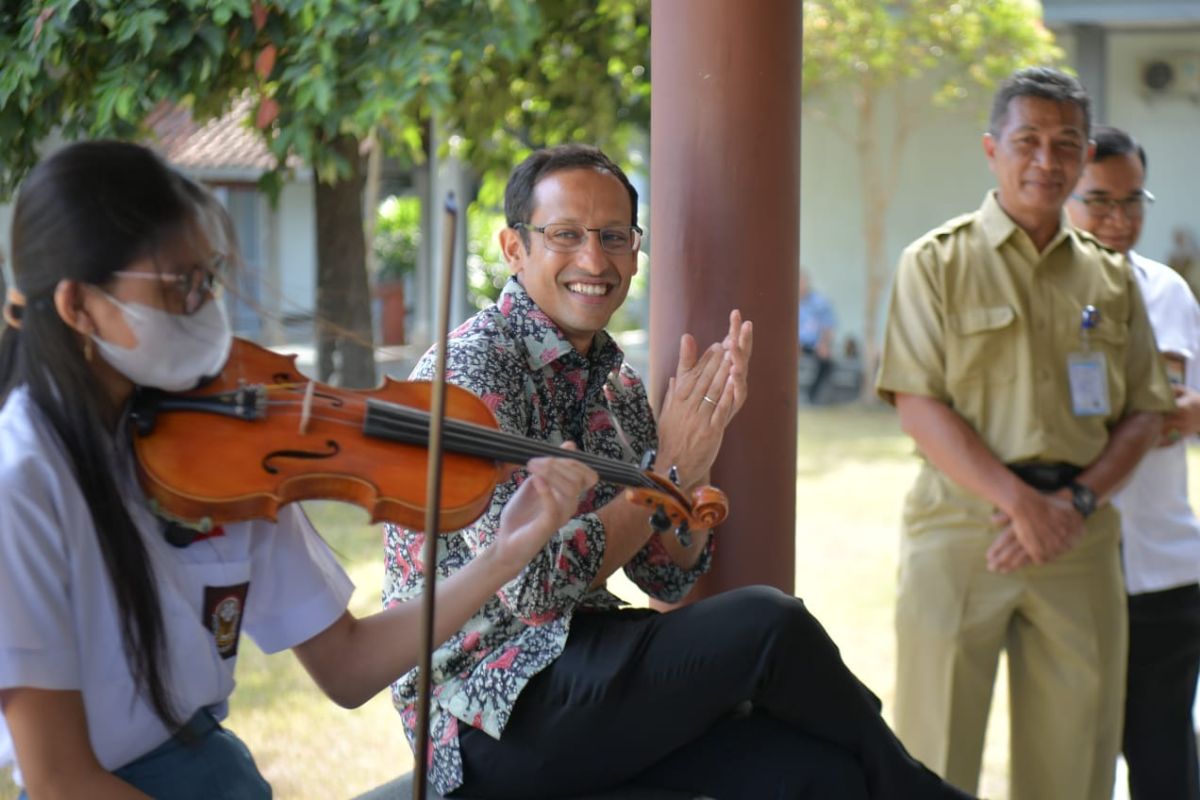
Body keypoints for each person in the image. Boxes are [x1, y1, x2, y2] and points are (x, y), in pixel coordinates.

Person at [0, 140, 597, 799]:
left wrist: (503, 557)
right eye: (181, 287)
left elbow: (347, 665)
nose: (207, 310)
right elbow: (60, 781)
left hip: (220, 770)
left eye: (210, 279)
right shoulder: (21, 481)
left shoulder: (226, 439)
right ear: (78, 307)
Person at [383, 143, 977, 800]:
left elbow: (665, 571)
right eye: (566, 236)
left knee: (815, 774)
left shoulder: (615, 383)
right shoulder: (473, 369)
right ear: (514, 247)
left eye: (614, 237)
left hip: (584, 674)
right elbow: (533, 591)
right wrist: (659, 471)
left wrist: (688, 472)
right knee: (769, 624)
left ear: (636, 252)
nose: (593, 259)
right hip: (486, 715)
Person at [875, 68, 1175, 800]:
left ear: (1081, 158)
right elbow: (918, 402)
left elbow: (1144, 413)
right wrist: (1021, 504)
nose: (1047, 159)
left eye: (1065, 143)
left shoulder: (1112, 280)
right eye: (1028, 140)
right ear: (991, 149)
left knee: (1076, 761)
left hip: (1079, 538)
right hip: (961, 527)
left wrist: (1068, 506)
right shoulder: (935, 263)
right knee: (932, 754)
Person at [1066, 125, 1200, 800]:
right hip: (1064, 565)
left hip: (1162, 569)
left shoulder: (1164, 289)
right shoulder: (1038, 291)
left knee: (1163, 758)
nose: (1118, 220)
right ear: (1064, 195)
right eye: (1098, 201)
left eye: (1132, 200)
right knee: (1070, 755)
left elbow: (1172, 417)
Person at [798, 268, 837, 404]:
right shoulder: (789, 303)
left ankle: (812, 397)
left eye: (802, 281)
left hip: (815, 345)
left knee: (827, 362)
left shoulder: (820, 303)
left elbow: (828, 326)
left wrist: (824, 343)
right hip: (796, 346)